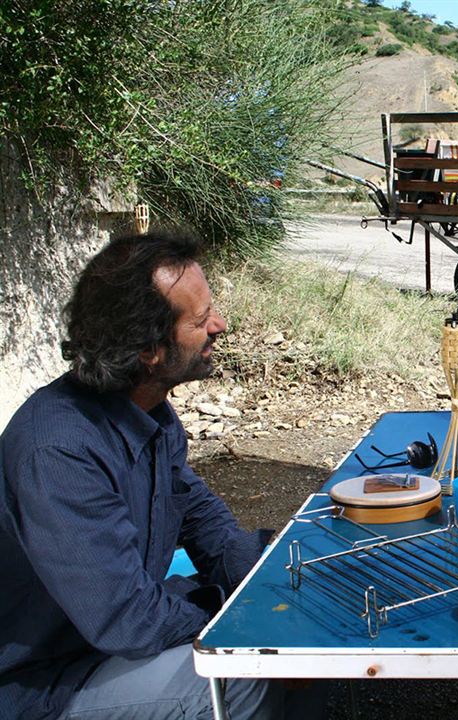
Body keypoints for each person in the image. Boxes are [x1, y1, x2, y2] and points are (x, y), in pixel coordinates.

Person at [0, 233, 325, 719]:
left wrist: (285, 569)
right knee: (237, 677)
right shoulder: (59, 452)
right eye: (200, 320)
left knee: (304, 633)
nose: (220, 325)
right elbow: (126, 618)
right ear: (148, 350)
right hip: (50, 683)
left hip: (105, 652)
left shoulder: (147, 411)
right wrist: (235, 615)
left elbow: (203, 523)